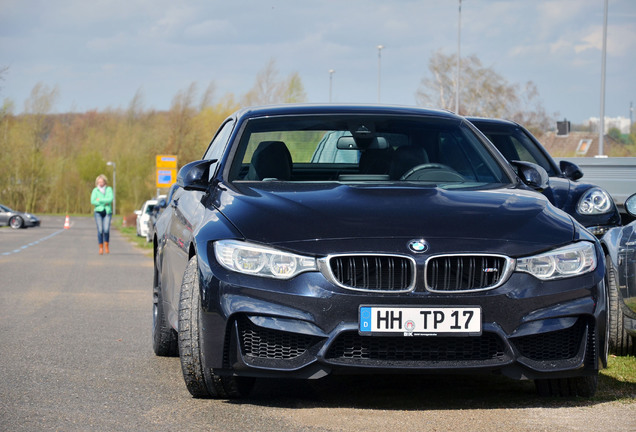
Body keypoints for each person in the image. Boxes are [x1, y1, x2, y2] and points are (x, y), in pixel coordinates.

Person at [90, 174, 114, 255]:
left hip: (107, 211)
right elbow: (93, 201)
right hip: (98, 212)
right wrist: (104, 201)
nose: (100, 183)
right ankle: (101, 247)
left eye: (102, 181)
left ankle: (106, 245)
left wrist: (99, 200)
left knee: (106, 229)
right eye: (99, 182)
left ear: (105, 182)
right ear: (97, 182)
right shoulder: (95, 190)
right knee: (100, 230)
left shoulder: (109, 189)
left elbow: (110, 199)